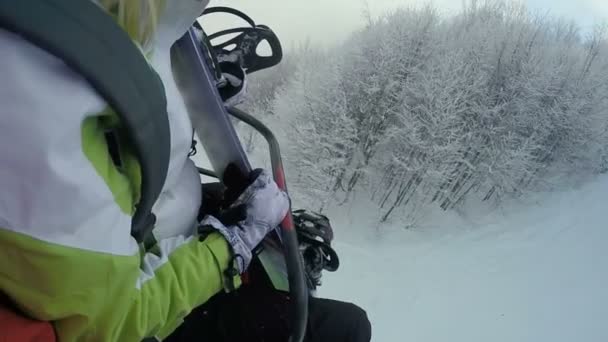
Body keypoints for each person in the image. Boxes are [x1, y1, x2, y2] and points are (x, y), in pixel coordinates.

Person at [0, 1, 370, 341]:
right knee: (347, 327)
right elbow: (117, 318)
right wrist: (233, 242)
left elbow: (127, 87)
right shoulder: (37, 125)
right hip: (145, 313)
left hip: (144, 232)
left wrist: (195, 90)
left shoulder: (95, 23)